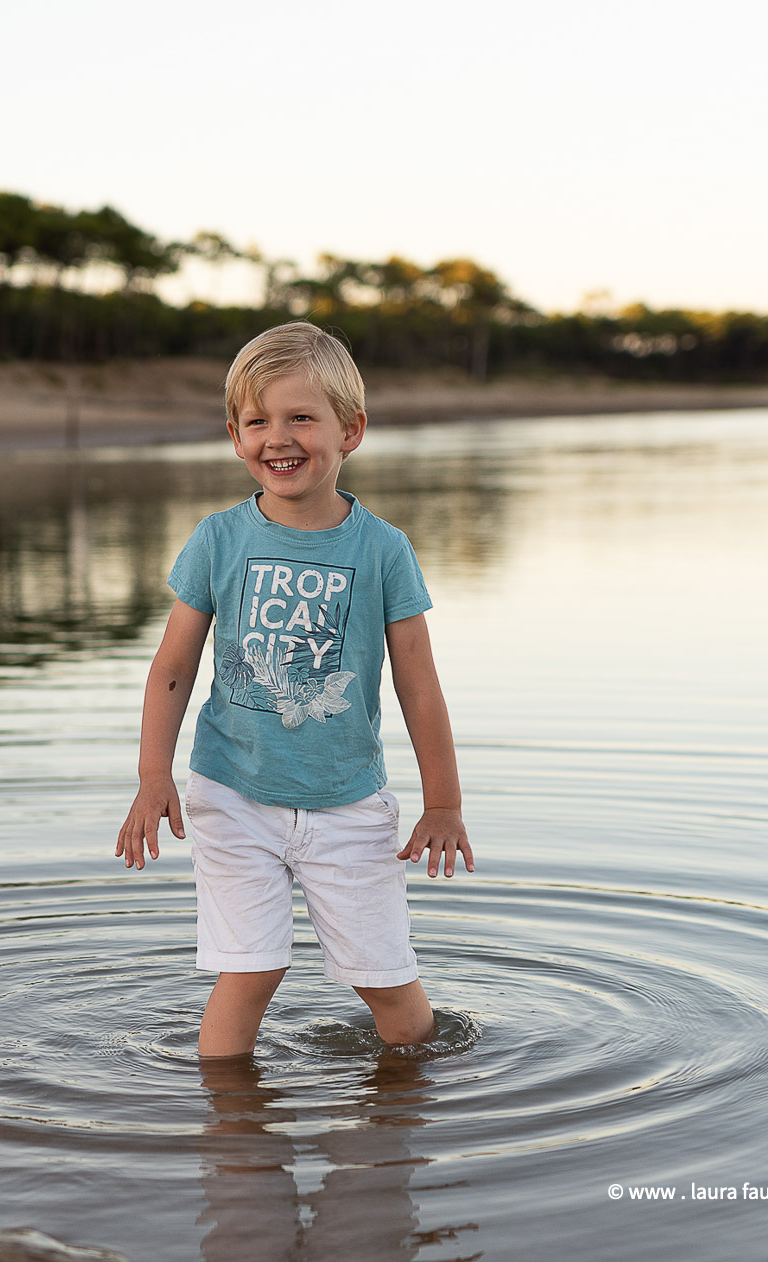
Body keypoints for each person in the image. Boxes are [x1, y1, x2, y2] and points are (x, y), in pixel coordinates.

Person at [115, 322, 473, 1054]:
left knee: (389, 988)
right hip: (232, 792)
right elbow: (172, 668)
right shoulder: (219, 539)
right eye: (258, 421)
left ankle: (401, 1124)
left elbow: (420, 687)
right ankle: (231, 1141)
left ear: (352, 430)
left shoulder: (382, 549)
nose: (278, 438)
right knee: (250, 971)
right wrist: (154, 776)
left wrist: (444, 803)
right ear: (236, 435)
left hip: (348, 800)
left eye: (301, 418)